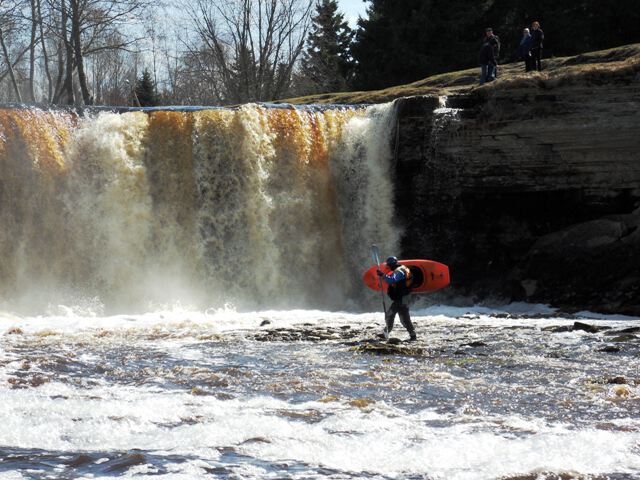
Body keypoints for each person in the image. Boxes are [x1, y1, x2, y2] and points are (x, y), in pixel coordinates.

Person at [377, 256, 417, 341]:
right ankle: (413, 335)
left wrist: (382, 275)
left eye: (389, 266)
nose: (389, 268)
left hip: (402, 298)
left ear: (392, 265)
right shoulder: (403, 268)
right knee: (404, 318)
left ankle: (386, 333)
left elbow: (392, 280)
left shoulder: (399, 271)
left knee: (390, 315)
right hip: (404, 297)